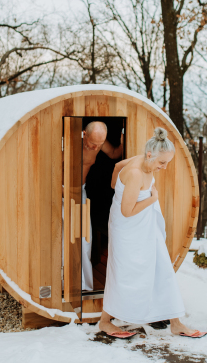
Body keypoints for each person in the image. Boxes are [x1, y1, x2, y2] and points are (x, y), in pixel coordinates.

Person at [99, 127, 207, 339]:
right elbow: (127, 211)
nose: (164, 167)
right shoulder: (135, 173)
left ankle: (176, 323)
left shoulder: (142, 160)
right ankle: (105, 321)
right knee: (124, 272)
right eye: (161, 163)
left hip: (146, 225)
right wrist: (152, 199)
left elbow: (115, 170)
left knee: (162, 267)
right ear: (150, 155)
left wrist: (118, 186)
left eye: (166, 162)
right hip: (128, 229)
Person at [78, 121, 123, 291]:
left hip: (79, 191)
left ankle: (85, 288)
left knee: (84, 239)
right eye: (92, 143)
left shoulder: (99, 144)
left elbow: (113, 153)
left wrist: (125, 139)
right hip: (57, 191)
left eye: (99, 144)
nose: (96, 147)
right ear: (84, 134)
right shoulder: (67, 141)